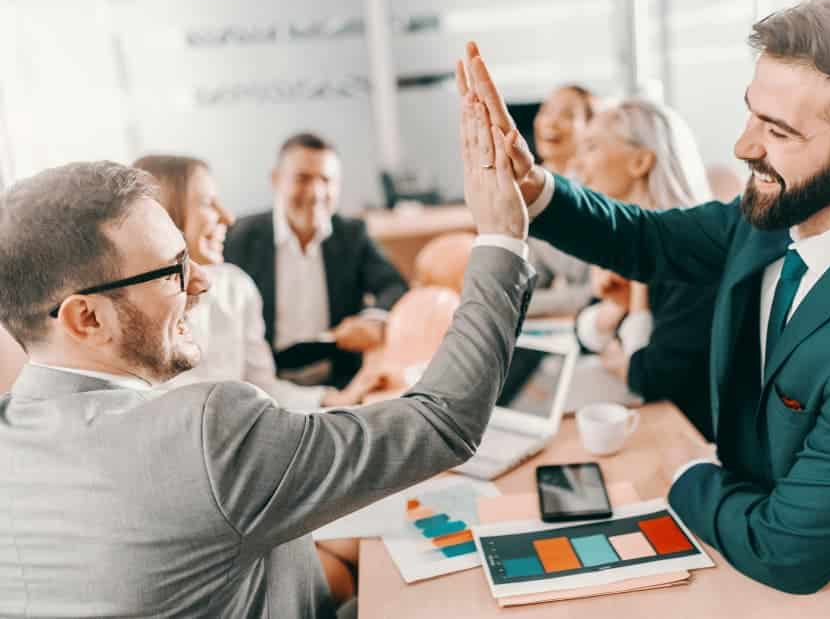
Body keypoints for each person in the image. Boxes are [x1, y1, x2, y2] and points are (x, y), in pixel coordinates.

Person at [459, 0, 830, 618]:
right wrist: (538, 190)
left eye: (777, 131)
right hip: (766, 566)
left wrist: (686, 473)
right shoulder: (790, 205)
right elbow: (651, 240)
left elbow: (784, 549)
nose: (744, 146)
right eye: (753, 115)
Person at [0, 152, 533, 617]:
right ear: (86, 319)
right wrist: (502, 237)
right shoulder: (205, 434)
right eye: (173, 270)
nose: (203, 281)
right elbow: (444, 420)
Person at [134, 154, 379, 411]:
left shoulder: (236, 288)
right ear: (164, 213)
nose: (228, 217)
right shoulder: (135, 309)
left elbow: (262, 388)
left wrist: (333, 398)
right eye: (208, 203)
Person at [569, 99, 716, 437]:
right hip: (655, 421)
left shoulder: (692, 255)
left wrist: (635, 309)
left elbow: (652, 378)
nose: (577, 165)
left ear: (640, 161)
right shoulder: (627, 243)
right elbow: (585, 334)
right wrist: (615, 308)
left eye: (591, 148)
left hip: (690, 438)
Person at [224, 133, 408, 389]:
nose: (316, 193)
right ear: (276, 180)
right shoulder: (238, 238)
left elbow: (394, 285)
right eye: (303, 178)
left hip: (338, 383)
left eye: (326, 180)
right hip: (263, 387)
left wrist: (372, 320)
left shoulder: (352, 235)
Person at [526, 85, 597, 317]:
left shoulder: (599, 190)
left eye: (567, 115)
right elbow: (533, 281)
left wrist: (517, 306)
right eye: (546, 111)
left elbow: (598, 292)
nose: (551, 122)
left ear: (591, 128)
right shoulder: (531, 191)